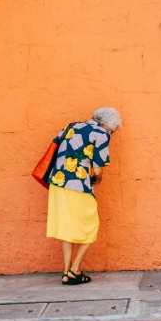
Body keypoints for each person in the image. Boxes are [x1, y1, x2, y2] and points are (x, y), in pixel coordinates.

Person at [46, 107, 121, 285]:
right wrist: (99, 179)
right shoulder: (101, 133)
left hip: (58, 182)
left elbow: (56, 148)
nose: (111, 134)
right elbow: (97, 168)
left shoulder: (71, 126)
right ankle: (75, 270)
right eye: (113, 130)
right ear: (106, 124)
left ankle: (66, 272)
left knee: (68, 225)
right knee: (90, 226)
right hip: (78, 184)